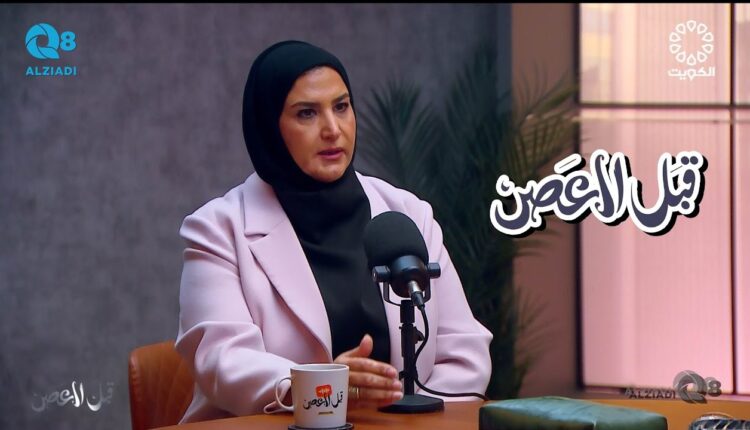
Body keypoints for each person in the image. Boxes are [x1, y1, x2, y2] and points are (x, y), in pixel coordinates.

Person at [175, 40, 492, 423]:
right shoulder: (218, 229)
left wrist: (409, 419)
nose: (332, 129)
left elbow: (465, 353)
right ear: (269, 126)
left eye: (341, 107)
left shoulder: (408, 213)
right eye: (307, 113)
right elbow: (221, 362)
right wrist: (324, 389)